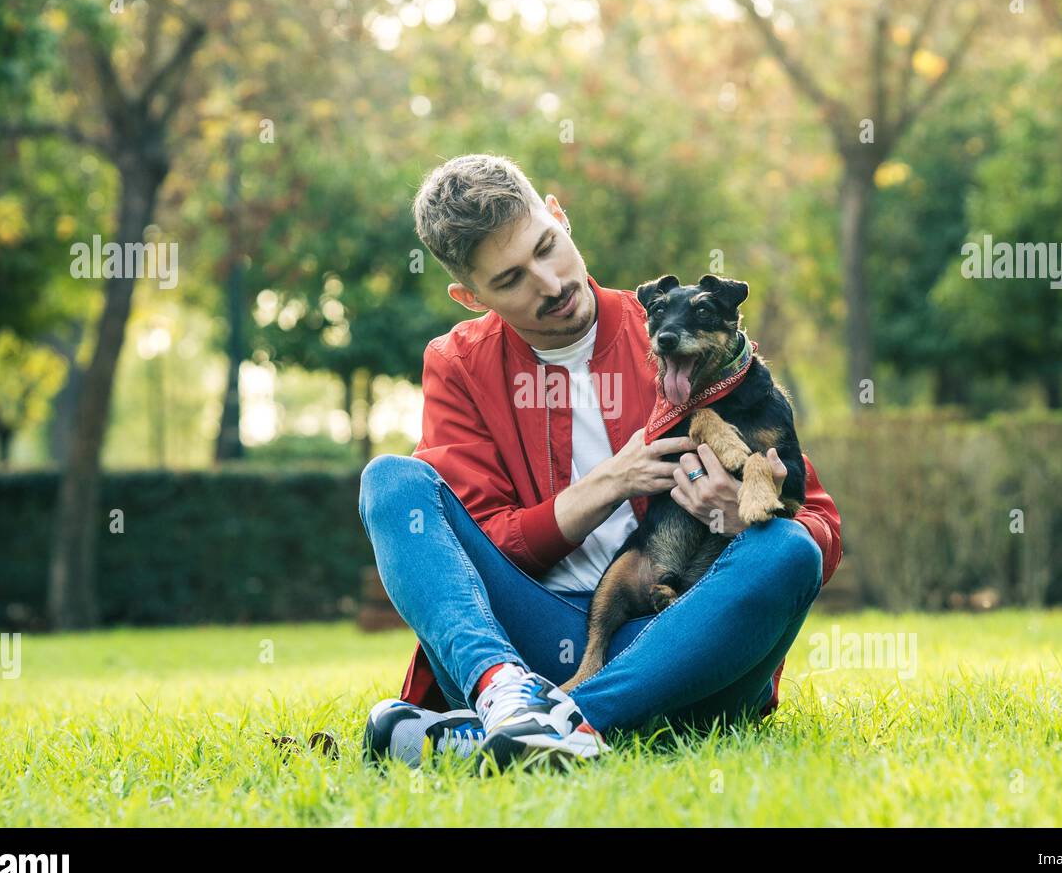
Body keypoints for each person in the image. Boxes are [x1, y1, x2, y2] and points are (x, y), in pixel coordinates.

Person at [358, 154, 841, 770]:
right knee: (391, 481)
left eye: (548, 247)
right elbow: (475, 549)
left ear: (559, 216)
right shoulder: (457, 365)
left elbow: (822, 531)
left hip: (681, 643)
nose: (551, 283)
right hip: (526, 641)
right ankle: (504, 698)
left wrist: (742, 518)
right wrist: (607, 484)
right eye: (510, 280)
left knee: (789, 548)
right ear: (468, 296)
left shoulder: (682, 330)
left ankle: (549, 724)